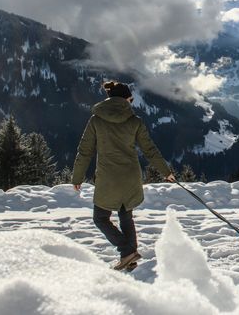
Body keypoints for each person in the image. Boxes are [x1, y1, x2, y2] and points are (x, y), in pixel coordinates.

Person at [71, 81, 175, 271]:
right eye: (130, 99)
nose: (131, 102)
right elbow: (150, 150)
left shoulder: (96, 120)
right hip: (130, 176)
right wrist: (166, 172)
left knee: (100, 218)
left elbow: (85, 151)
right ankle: (130, 256)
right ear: (125, 99)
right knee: (126, 216)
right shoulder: (135, 121)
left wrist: (77, 177)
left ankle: (127, 252)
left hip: (108, 178)